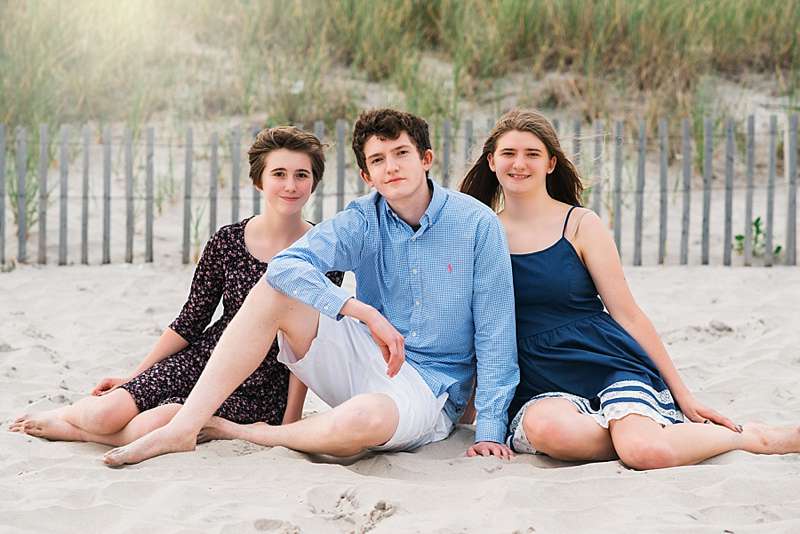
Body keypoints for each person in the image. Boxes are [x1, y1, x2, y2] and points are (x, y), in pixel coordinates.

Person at [100, 108, 519, 467]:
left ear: (425, 158)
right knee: (274, 287)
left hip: (429, 388)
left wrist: (491, 429)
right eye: (378, 160)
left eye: (401, 154)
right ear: (366, 174)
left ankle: (243, 431)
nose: (391, 167)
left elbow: (496, 331)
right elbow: (286, 266)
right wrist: (361, 311)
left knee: (363, 422)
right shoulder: (362, 218)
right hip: (364, 354)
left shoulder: (476, 224)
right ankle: (185, 428)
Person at [460, 109, 800, 469]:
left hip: (604, 362)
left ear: (550, 164)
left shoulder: (579, 224)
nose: (519, 164)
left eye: (532, 154)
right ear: (492, 162)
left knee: (644, 453)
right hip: (536, 379)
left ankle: (752, 436)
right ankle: (641, 434)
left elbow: (628, 315)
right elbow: (478, 325)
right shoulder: (481, 234)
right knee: (551, 433)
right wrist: (468, 404)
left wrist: (684, 395)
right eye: (509, 154)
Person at [10, 126, 343, 447]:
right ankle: (68, 415)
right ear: (259, 181)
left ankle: (76, 433)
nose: (291, 185)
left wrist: (291, 419)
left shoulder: (323, 253)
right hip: (205, 357)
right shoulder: (227, 242)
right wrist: (137, 375)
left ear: (314, 182)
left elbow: (309, 345)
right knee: (105, 413)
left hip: (262, 387)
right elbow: (191, 320)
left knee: (154, 424)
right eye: (279, 174)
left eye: (302, 175)